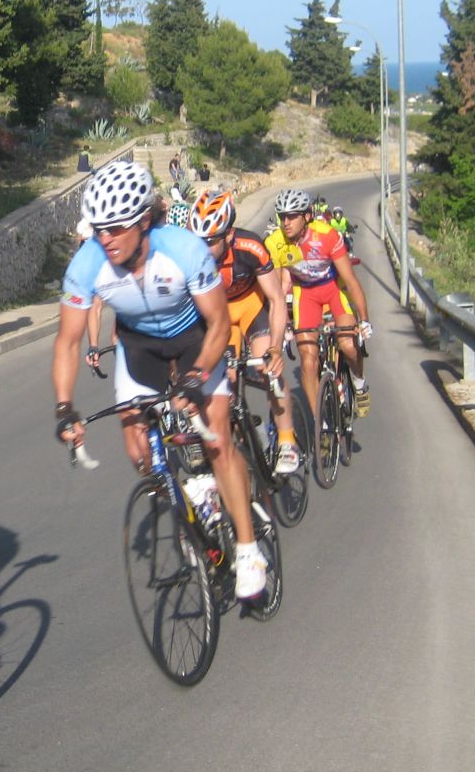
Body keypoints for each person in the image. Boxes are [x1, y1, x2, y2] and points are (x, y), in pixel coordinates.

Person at [52, 160, 269, 601]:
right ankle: (195, 501)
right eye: (99, 229)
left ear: (144, 221)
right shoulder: (88, 262)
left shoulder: (182, 249)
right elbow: (67, 342)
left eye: (116, 228)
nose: (105, 239)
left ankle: (248, 550)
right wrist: (64, 406)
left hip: (194, 339)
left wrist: (196, 376)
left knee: (216, 439)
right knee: (141, 454)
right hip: (139, 348)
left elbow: (219, 323)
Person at [188, 189, 300, 475]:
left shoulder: (250, 246)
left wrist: (275, 348)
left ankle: (287, 440)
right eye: (198, 240)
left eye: (210, 241)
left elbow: (276, 299)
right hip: (220, 316)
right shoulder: (190, 255)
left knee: (268, 370)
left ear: (228, 235)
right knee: (225, 384)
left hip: (251, 307)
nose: (202, 248)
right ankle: (248, 437)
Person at [265, 188, 373, 419]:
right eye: (282, 216)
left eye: (292, 216)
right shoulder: (275, 243)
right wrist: (282, 328)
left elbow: (351, 281)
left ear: (307, 216)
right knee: (308, 361)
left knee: (348, 345)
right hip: (305, 295)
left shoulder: (326, 235)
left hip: (333, 289)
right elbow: (279, 292)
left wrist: (364, 320)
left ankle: (358, 381)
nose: (286, 222)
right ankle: (320, 423)